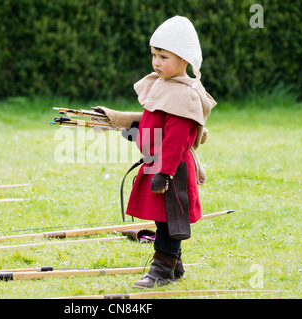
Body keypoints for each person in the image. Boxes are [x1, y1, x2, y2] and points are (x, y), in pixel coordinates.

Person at [96, 16, 217, 288]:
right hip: (159, 164)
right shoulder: (164, 85)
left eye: (164, 56)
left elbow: (175, 141)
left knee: (169, 221)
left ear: (184, 59)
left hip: (172, 169)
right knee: (163, 220)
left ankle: (161, 271)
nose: (156, 62)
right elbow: (156, 125)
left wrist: (165, 172)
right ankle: (175, 267)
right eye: (154, 55)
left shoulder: (184, 95)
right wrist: (135, 132)